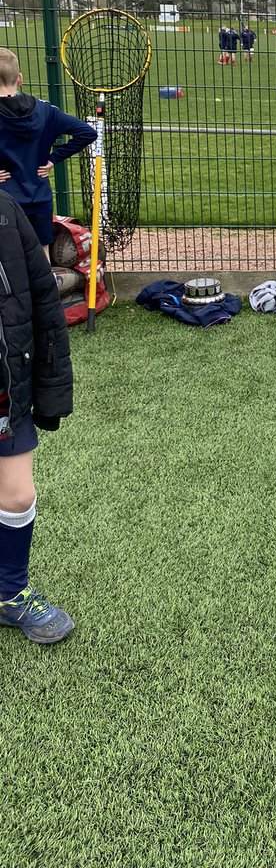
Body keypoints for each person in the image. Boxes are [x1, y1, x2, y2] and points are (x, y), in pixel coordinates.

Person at [0, 188, 75, 642]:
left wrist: (49, 389)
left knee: (17, 496)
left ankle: (11, 594)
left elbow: (45, 300)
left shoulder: (6, 213)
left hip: (8, 395)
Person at [0, 49, 97, 256]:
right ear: (20, 79)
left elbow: (86, 133)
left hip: (5, 201)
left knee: (9, 260)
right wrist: (54, 159)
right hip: (39, 198)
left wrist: (53, 158)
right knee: (41, 257)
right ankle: (46, 289)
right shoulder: (45, 111)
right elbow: (86, 132)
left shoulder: (45, 111)